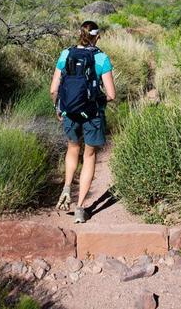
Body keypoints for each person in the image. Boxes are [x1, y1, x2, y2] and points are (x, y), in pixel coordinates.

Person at [50, 20, 116, 223]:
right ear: (97, 36)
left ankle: (67, 187)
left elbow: (54, 89)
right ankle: (80, 209)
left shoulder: (65, 54)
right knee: (89, 155)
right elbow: (111, 95)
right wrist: (98, 102)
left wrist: (59, 109)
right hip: (93, 114)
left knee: (72, 148)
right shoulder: (101, 58)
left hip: (70, 112)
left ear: (80, 34)